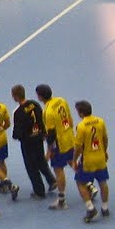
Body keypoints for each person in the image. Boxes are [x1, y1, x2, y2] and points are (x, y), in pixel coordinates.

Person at [9, 84, 54, 201]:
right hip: (38, 138)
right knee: (41, 160)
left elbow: (17, 132)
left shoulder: (18, 112)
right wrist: (43, 133)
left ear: (15, 96)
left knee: (31, 167)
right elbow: (41, 120)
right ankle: (52, 180)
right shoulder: (35, 104)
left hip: (28, 143)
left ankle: (39, 191)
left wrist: (16, 136)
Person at [36, 83, 74, 211]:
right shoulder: (61, 100)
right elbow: (70, 119)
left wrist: (48, 151)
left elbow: (51, 134)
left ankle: (61, 200)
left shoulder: (47, 112)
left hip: (59, 143)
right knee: (72, 161)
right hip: (69, 137)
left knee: (58, 170)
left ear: (40, 97)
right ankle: (89, 186)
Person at [73, 99, 110, 222]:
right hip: (100, 158)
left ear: (81, 113)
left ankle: (90, 208)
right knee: (103, 182)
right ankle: (105, 208)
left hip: (88, 161)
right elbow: (105, 139)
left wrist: (74, 160)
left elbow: (78, 147)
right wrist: (104, 152)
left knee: (80, 182)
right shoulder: (100, 121)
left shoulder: (81, 126)